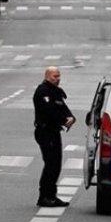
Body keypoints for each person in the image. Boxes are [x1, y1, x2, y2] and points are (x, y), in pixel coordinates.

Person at [33, 66, 76, 208]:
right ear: (47, 76)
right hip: (45, 132)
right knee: (51, 164)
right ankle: (44, 196)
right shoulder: (43, 91)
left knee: (56, 164)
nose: (57, 79)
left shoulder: (55, 92)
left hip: (54, 132)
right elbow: (49, 112)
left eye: (58, 76)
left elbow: (62, 107)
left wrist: (71, 117)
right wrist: (64, 120)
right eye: (54, 77)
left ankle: (51, 195)